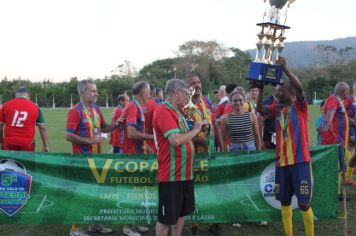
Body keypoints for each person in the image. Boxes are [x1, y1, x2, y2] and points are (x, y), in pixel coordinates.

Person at [257, 57, 314, 236]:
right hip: (281, 163)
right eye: (277, 89)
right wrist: (259, 89)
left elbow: (300, 88)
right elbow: (260, 109)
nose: (278, 92)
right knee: (284, 201)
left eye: (281, 90)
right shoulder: (277, 108)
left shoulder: (300, 106)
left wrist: (286, 70)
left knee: (304, 203)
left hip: (300, 162)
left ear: (291, 93)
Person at [153, 79, 207, 236]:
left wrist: (198, 130)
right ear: (176, 92)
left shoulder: (177, 111)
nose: (187, 97)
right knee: (166, 218)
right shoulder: (164, 110)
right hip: (171, 175)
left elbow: (185, 137)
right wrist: (196, 130)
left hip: (185, 173)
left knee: (181, 213)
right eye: (186, 94)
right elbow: (175, 140)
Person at [65, 79, 120, 236]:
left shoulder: (96, 108)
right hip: (82, 160)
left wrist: (117, 123)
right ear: (83, 92)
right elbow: (68, 136)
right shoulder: (75, 111)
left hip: (97, 159)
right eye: (93, 91)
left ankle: (94, 224)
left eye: (96, 91)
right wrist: (90, 140)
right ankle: (75, 229)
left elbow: (104, 127)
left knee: (96, 193)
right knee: (81, 194)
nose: (96, 93)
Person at [184, 74, 223, 236]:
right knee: (195, 190)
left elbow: (214, 124)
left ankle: (215, 223)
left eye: (198, 82)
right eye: (192, 83)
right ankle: (194, 226)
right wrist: (206, 143)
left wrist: (221, 146)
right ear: (187, 88)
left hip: (211, 154)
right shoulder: (187, 106)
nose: (197, 85)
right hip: (194, 155)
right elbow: (188, 133)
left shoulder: (207, 102)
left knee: (214, 188)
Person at [121, 81, 153, 236]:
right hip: (131, 156)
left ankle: (134, 223)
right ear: (142, 92)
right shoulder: (133, 106)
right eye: (149, 92)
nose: (150, 95)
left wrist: (148, 145)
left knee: (137, 190)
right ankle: (128, 226)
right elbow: (132, 133)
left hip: (138, 154)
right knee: (132, 192)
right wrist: (152, 137)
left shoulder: (136, 106)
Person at [321, 82, 350, 201]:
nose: (348, 94)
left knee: (341, 166)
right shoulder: (333, 99)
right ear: (343, 91)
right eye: (347, 91)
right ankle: (335, 193)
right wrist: (334, 138)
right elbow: (329, 120)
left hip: (339, 140)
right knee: (337, 167)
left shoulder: (338, 100)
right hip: (335, 141)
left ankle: (337, 192)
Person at [0, 87, 49, 152]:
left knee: (9, 162)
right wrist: (45, 146)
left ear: (16, 95)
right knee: (26, 162)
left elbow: (0, 125)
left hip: (9, 143)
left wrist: (1, 142)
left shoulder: (5, 105)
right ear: (28, 95)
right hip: (27, 143)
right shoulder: (35, 107)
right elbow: (42, 127)